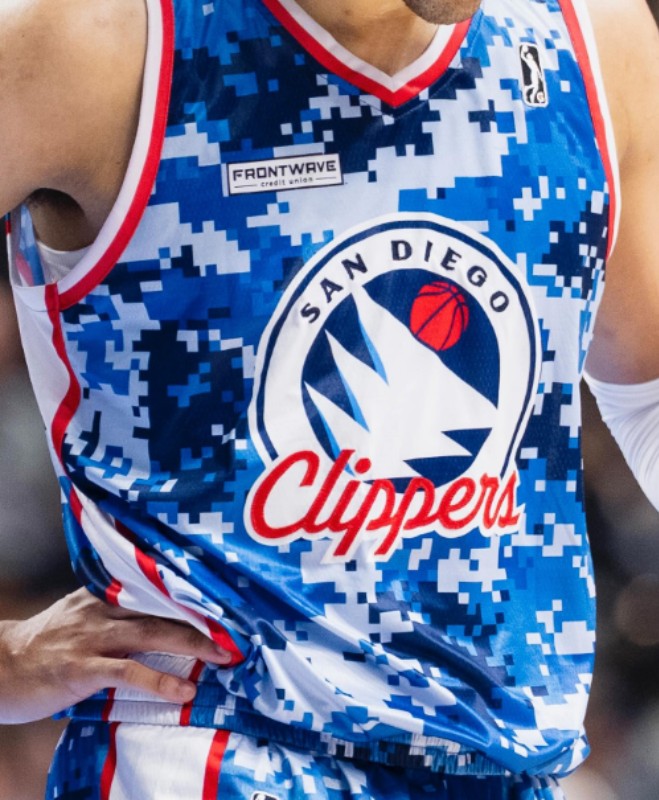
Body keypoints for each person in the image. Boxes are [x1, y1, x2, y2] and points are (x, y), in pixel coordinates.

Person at [1, 0, 659, 797]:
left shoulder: (590, 39)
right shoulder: (89, 43)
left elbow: (645, 393)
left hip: (509, 763)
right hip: (219, 748)